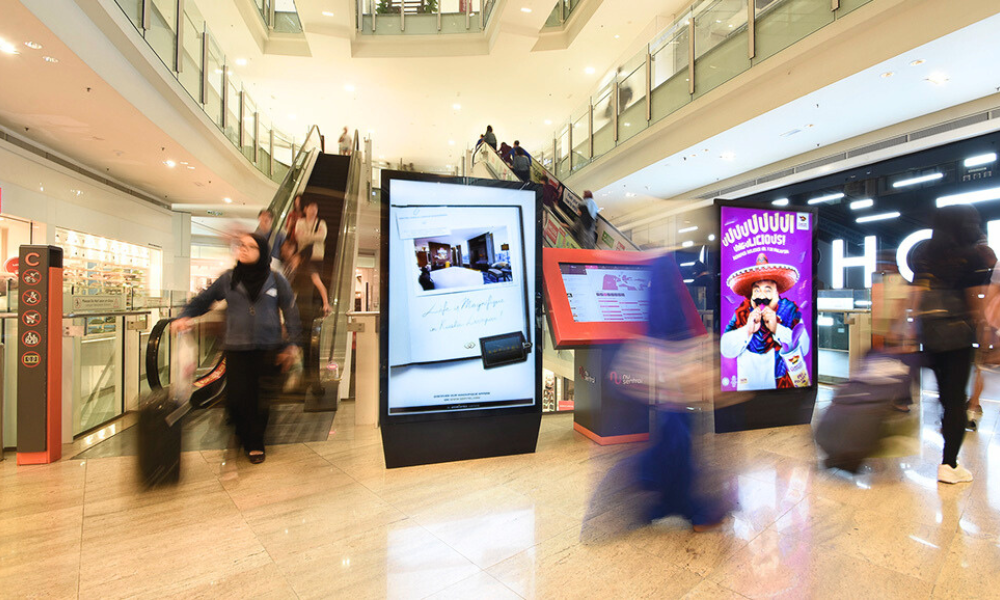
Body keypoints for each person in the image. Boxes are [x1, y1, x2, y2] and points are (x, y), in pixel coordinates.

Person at [172, 232, 301, 464]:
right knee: (238, 397)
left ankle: (255, 443)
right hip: (236, 347)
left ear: (262, 252)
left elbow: (291, 312)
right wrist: (185, 315)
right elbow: (204, 300)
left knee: (259, 399)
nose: (243, 249)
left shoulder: (275, 279)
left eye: (250, 246)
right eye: (241, 245)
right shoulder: (229, 279)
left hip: (267, 346)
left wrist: (292, 344)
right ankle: (242, 433)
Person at [913, 205, 991, 484]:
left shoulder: (924, 255)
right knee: (956, 398)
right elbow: (974, 299)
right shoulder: (971, 257)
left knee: (946, 396)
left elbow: (917, 294)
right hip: (958, 336)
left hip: (930, 334)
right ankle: (949, 464)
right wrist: (982, 331)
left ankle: (948, 436)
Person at [720, 253, 807, 390]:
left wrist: (777, 328)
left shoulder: (789, 310)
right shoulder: (742, 313)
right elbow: (725, 349)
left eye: (768, 290)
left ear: (777, 294)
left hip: (782, 391)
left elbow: (805, 347)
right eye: (756, 290)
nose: (761, 296)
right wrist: (747, 330)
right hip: (746, 390)